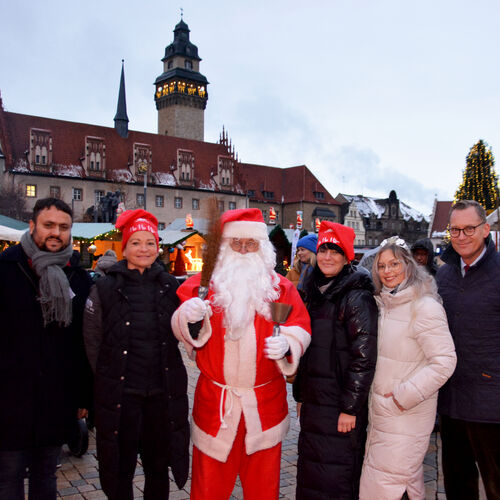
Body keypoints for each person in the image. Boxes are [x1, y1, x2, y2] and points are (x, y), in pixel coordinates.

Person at [171, 208, 311, 500]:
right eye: (237, 243)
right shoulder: (204, 286)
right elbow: (182, 324)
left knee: (263, 489)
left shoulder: (281, 288)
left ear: (263, 247)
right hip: (216, 405)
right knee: (208, 487)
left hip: (265, 404)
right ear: (225, 245)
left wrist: (288, 343)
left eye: (252, 243)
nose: (244, 249)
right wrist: (189, 316)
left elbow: (299, 324)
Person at [83, 209, 189, 500]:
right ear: (124, 247)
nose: (143, 249)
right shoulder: (104, 288)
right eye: (136, 242)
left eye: (150, 242)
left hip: (160, 395)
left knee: (158, 466)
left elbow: (184, 332)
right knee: (121, 467)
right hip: (121, 396)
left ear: (158, 247)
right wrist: (109, 375)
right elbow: (92, 341)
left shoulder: (170, 286)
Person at [0, 197, 92, 500]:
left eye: (63, 227)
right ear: (32, 226)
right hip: (10, 396)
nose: (56, 232)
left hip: (57, 397)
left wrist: (82, 395)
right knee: (9, 475)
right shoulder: (6, 268)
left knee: (45, 474)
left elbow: (83, 343)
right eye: (48, 225)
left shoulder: (78, 278)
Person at [359, 236, 456, 500]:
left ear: (408, 265)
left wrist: (403, 396)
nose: (387, 271)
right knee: (398, 483)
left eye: (394, 264)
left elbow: (445, 361)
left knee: (388, 485)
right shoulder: (384, 305)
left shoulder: (424, 307)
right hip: (382, 416)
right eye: (381, 266)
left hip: (406, 414)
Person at [293, 221, 378, 499]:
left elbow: (363, 358)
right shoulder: (312, 290)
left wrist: (350, 409)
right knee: (311, 475)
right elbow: (307, 350)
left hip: (340, 406)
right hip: (315, 403)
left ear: (346, 256)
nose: (328, 257)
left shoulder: (356, 296)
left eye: (336, 251)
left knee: (336, 478)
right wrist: (300, 395)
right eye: (324, 250)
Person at [436, 199, 500, 500]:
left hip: (492, 402)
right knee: (457, 482)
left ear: (485, 229)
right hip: (452, 399)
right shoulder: (445, 274)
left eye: (469, 229)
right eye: (455, 230)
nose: (461, 236)